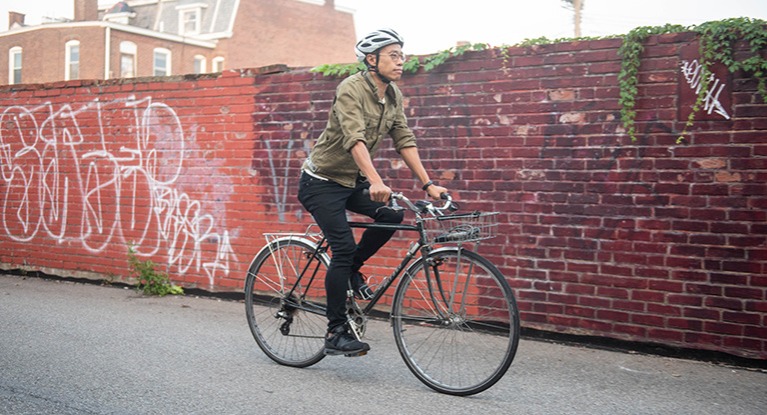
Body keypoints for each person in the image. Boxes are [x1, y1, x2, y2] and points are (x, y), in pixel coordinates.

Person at [297, 28, 448, 357]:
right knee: (342, 247)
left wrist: (428, 183)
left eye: (401, 56)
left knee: (392, 214)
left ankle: (352, 269)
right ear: (371, 59)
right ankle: (336, 332)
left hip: (351, 181)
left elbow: (404, 140)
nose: (400, 61)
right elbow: (354, 138)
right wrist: (376, 179)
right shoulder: (350, 88)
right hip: (321, 182)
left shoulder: (393, 94)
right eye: (393, 55)